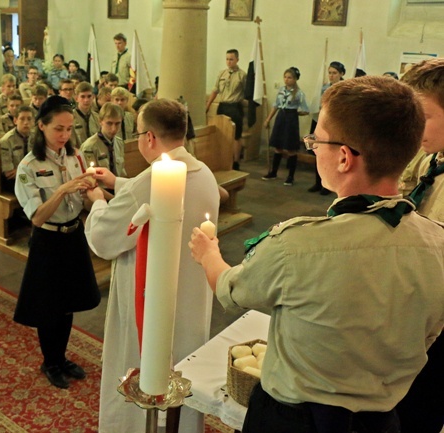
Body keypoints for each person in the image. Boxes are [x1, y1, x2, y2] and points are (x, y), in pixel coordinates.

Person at [189, 76, 444, 433]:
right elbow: (430, 333)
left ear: (343, 158)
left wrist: (208, 254)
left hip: (295, 421)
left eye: (316, 140)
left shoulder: (296, 246)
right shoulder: (438, 243)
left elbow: (231, 290)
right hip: (382, 420)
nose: (312, 147)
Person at [85, 99, 219, 433]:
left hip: (149, 302)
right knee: (184, 374)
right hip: (190, 299)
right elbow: (145, 194)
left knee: (141, 373)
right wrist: (118, 182)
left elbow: (104, 238)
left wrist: (99, 203)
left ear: (148, 138)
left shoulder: (151, 180)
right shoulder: (204, 175)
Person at [13, 96, 100, 389]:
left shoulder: (74, 157)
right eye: (58, 129)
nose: (64, 136)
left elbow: (84, 198)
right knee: (49, 305)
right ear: (42, 126)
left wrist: (98, 195)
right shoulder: (29, 167)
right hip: (48, 239)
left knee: (69, 301)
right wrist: (62, 190)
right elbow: (37, 217)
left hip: (73, 235)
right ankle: (50, 361)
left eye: (69, 129)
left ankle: (62, 357)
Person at [395, 58, 444, 433]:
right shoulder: (430, 156)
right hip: (412, 308)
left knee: (419, 411)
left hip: (438, 323)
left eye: (422, 115)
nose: (412, 127)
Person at [262, 66, 309, 185]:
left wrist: (295, 113)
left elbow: (306, 109)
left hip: (291, 119)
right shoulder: (281, 90)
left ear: (295, 79)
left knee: (291, 148)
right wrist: (268, 119)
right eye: (285, 77)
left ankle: (290, 177)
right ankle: (273, 172)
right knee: (277, 146)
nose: (287, 80)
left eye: (290, 77)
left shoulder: (299, 93)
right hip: (280, 117)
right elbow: (276, 105)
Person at [308, 61, 345, 195]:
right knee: (317, 152)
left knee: (331, 155)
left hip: (334, 124)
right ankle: (318, 182)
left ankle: (328, 185)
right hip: (320, 122)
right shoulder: (324, 88)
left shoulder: (344, 90)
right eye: (329, 73)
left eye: (334, 73)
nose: (331, 76)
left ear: (341, 74)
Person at [206, 49, 246, 170]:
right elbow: (215, 90)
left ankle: (236, 161)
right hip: (223, 106)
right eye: (227, 59)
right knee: (220, 133)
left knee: (236, 135)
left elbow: (246, 92)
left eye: (231, 59)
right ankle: (221, 158)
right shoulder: (222, 73)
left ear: (237, 60)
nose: (229, 62)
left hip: (234, 106)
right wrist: (207, 106)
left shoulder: (242, 75)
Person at [80, 102, 125, 178]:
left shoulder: (119, 142)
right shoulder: (90, 146)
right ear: (100, 121)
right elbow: (89, 177)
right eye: (109, 123)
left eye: (117, 124)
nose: (113, 128)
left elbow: (121, 170)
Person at [0, 105, 33, 193]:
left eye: (29, 119)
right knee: (30, 188)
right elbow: (9, 173)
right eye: (22, 119)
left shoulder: (36, 137)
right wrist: (30, 171)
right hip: (14, 180)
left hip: (31, 175)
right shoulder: (7, 140)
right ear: (15, 120)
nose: (26, 122)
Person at [73, 81, 100, 146]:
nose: (86, 100)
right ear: (76, 98)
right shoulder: (71, 117)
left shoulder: (97, 117)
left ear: (93, 97)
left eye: (89, 96)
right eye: (82, 97)